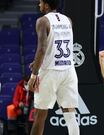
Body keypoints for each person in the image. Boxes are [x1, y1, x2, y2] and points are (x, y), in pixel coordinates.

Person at [27, 0, 79, 135]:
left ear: (46, 5)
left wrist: (33, 75)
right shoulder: (68, 20)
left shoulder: (42, 21)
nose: (39, 5)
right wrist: (37, 61)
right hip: (68, 71)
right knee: (70, 115)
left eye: (40, 2)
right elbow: (55, 46)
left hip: (50, 73)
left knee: (40, 115)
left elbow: (42, 49)